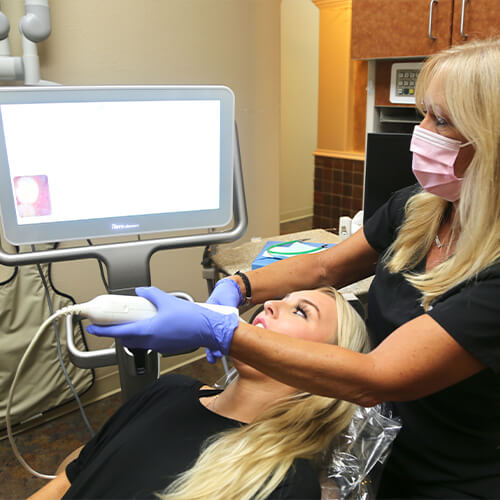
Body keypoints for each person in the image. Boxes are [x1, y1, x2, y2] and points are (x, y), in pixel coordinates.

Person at [86, 38, 500, 498]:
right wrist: (239, 286)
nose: (418, 131)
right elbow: (324, 267)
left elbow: (378, 375)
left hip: (458, 473)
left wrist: (220, 331)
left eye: (439, 120)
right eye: (423, 112)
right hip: (382, 444)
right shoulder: (423, 208)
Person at [30, 287, 369, 500]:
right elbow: (68, 482)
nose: (271, 304)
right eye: (283, 296)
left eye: (301, 310)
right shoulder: (169, 390)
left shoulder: (285, 483)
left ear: (328, 365)